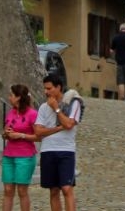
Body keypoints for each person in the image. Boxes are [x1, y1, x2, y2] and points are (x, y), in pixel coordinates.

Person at [35, 73, 84, 211]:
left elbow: (69, 125)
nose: (46, 92)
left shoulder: (74, 104)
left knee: (67, 189)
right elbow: (38, 132)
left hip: (66, 151)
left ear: (58, 87)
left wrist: (56, 109)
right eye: (45, 88)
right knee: (54, 190)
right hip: (47, 151)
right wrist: (57, 128)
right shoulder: (43, 107)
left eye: (49, 88)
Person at [0, 83, 39, 211]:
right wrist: (6, 134)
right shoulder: (10, 112)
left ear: (18, 97)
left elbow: (38, 136)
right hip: (9, 155)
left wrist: (20, 135)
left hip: (25, 156)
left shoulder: (32, 114)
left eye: (11, 95)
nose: (9, 97)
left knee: (22, 190)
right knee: (7, 189)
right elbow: (6, 131)